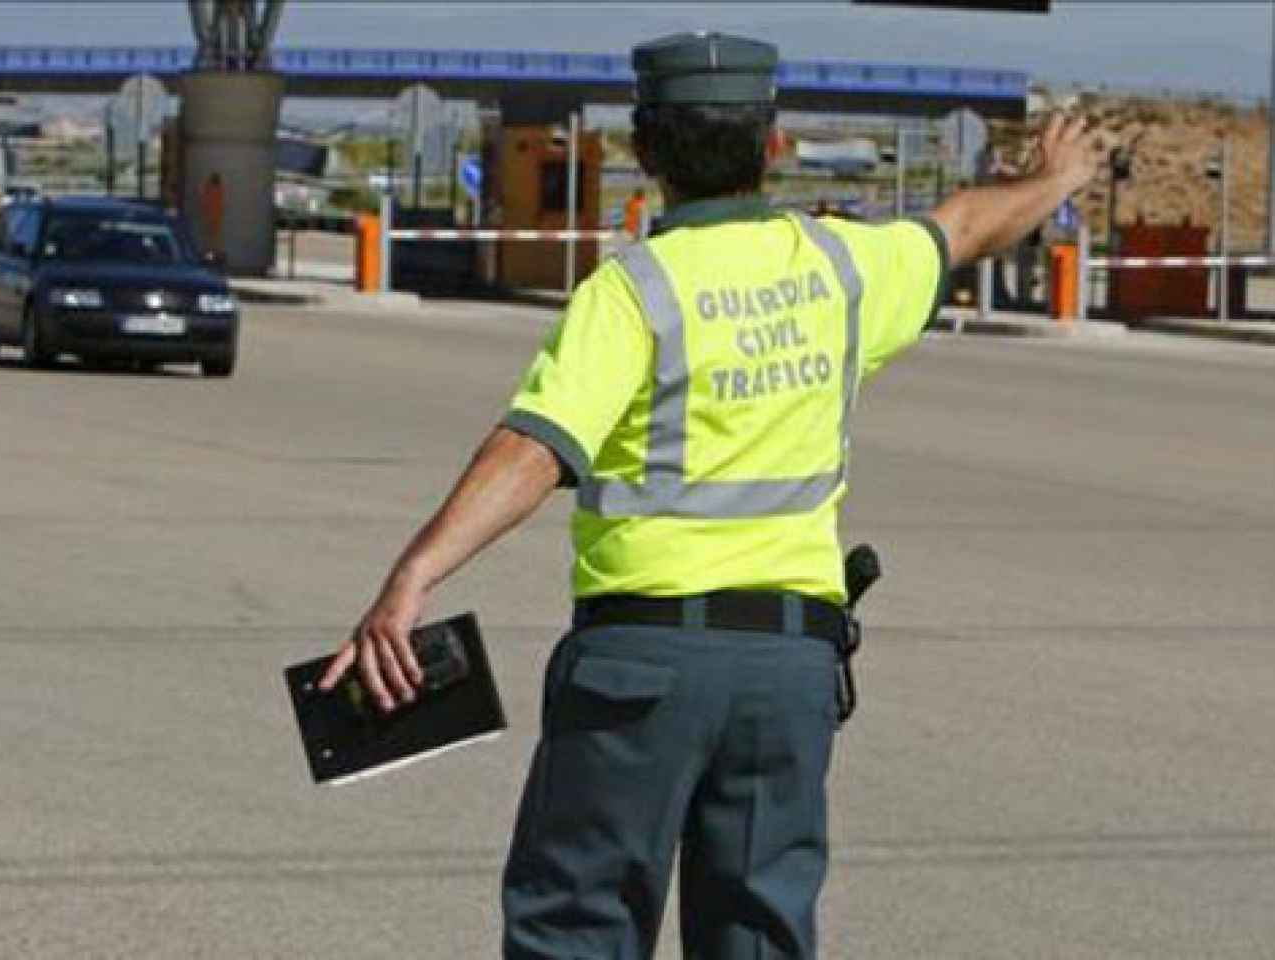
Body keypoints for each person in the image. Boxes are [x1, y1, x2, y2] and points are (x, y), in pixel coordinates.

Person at [320, 30, 1096, 960]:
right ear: (771, 147)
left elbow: (534, 448)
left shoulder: (634, 291)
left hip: (638, 669)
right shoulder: (845, 270)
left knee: (577, 927)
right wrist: (1055, 180)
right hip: (787, 674)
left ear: (643, 152)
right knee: (759, 936)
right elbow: (968, 223)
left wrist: (413, 579)